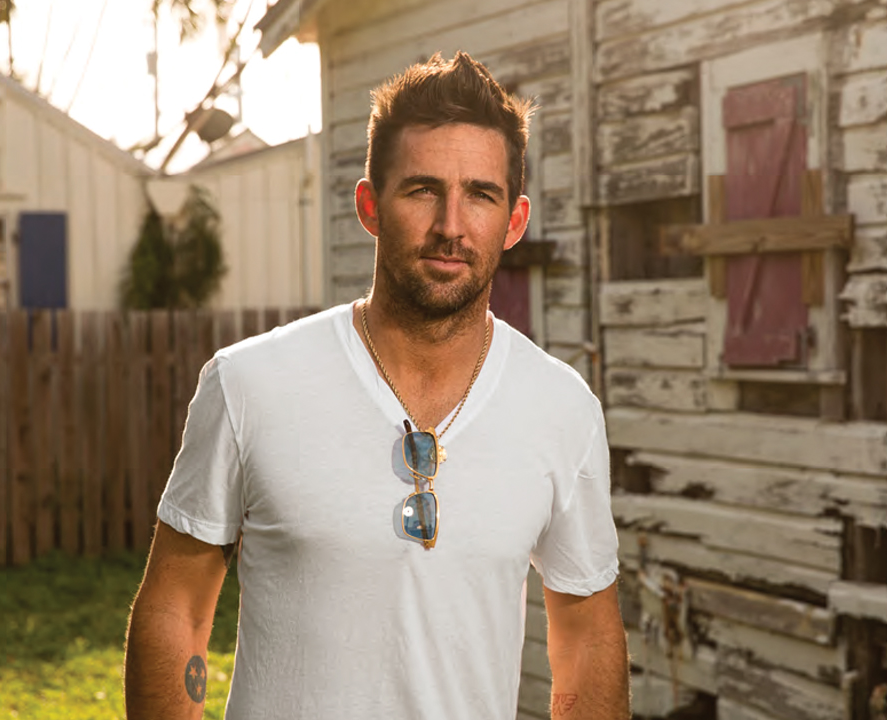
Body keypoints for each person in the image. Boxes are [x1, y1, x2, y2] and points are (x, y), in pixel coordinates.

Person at [124, 50, 630, 720]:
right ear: (370, 206)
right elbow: (176, 606)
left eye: (480, 194)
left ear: (513, 222)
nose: (451, 225)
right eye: (422, 190)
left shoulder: (561, 409)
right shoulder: (249, 384)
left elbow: (589, 633)